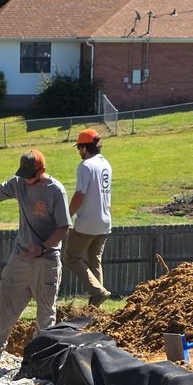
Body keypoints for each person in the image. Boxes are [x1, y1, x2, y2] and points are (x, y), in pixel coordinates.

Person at [0, 147, 71, 371]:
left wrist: (43, 247)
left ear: (41, 170)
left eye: (31, 176)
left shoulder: (55, 191)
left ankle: (43, 361)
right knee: (5, 304)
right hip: (20, 258)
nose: (27, 181)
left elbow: (64, 227)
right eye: (24, 176)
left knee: (45, 314)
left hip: (46, 261)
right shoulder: (18, 183)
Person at [63, 128, 112, 307]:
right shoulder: (106, 164)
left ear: (84, 148)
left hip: (88, 223)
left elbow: (79, 194)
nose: (78, 152)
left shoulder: (86, 166)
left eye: (79, 148)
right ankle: (94, 308)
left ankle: (98, 291)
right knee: (94, 259)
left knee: (70, 257)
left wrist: (66, 216)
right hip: (105, 222)